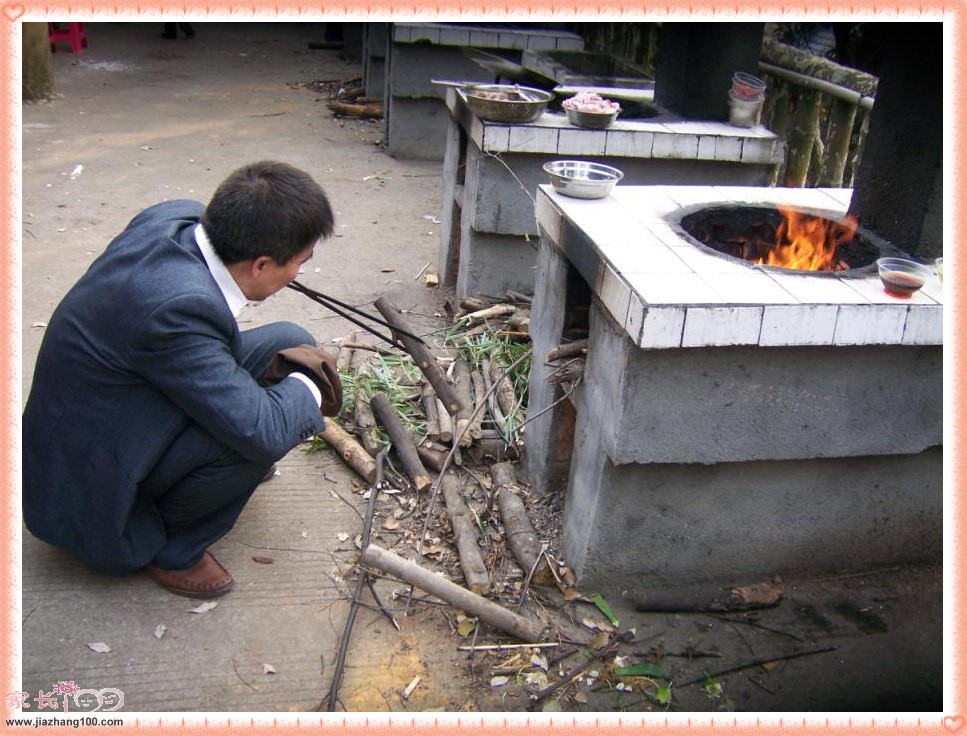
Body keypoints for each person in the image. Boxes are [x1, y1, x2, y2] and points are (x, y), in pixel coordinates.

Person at [22, 161, 342, 598]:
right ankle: (171, 548)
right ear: (261, 265)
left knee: (289, 345)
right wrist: (310, 385)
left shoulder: (180, 218)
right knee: (260, 433)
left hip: (106, 406)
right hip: (87, 482)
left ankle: (197, 483)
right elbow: (263, 432)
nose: (298, 275)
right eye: (299, 263)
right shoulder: (178, 308)